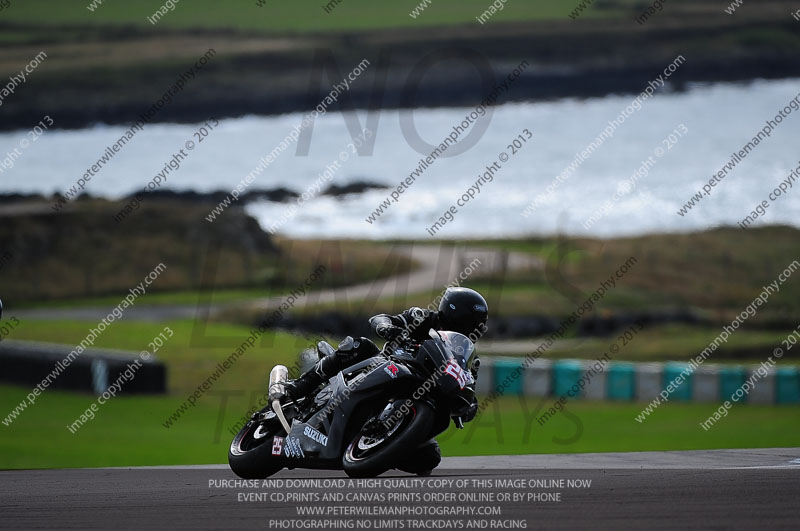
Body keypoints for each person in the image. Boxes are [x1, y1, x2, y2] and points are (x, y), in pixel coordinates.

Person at [284, 286, 488, 474]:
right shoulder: (423, 318)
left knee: (430, 458)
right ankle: (298, 386)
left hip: (424, 394)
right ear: (453, 315)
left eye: (477, 325)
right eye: (468, 322)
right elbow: (380, 319)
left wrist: (468, 406)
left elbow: (469, 388)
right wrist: (388, 328)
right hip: (386, 365)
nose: (471, 329)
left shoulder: (469, 358)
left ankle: (379, 447)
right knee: (359, 346)